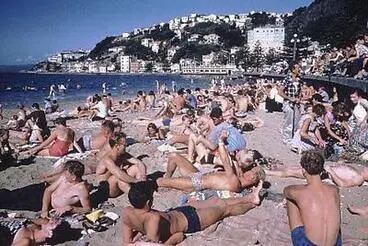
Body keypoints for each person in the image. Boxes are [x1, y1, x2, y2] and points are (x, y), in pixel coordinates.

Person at [122, 180, 263, 245]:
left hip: (179, 211)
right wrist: (176, 238)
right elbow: (170, 240)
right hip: (191, 221)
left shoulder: (127, 212)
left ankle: (249, 197)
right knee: (225, 209)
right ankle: (252, 204)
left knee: (217, 201)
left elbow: (127, 242)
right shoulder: (153, 218)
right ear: (148, 202)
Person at [157, 131, 265, 192]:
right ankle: (168, 179)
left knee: (159, 181)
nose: (248, 170)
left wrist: (221, 141)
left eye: (251, 171)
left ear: (252, 177)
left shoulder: (235, 182)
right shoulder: (238, 175)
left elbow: (226, 162)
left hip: (196, 183)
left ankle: (165, 183)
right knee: (174, 156)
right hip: (198, 175)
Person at [283, 150, 342, 246]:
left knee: (291, 199)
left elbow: (286, 190)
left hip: (309, 244)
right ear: (322, 170)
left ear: (303, 170)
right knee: (331, 202)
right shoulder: (334, 190)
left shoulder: (298, 192)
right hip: (335, 243)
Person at [96, 133, 146, 197]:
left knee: (136, 168)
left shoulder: (123, 155)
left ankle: (142, 187)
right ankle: (135, 194)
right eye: (124, 145)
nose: (126, 146)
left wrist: (143, 176)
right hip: (107, 190)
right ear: (117, 146)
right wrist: (136, 181)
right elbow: (119, 174)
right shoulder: (108, 159)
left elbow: (139, 163)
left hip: (119, 184)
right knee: (117, 177)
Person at [1, 217, 70, 246]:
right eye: (53, 220)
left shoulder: (25, 241)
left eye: (52, 223)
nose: (51, 220)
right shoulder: (35, 227)